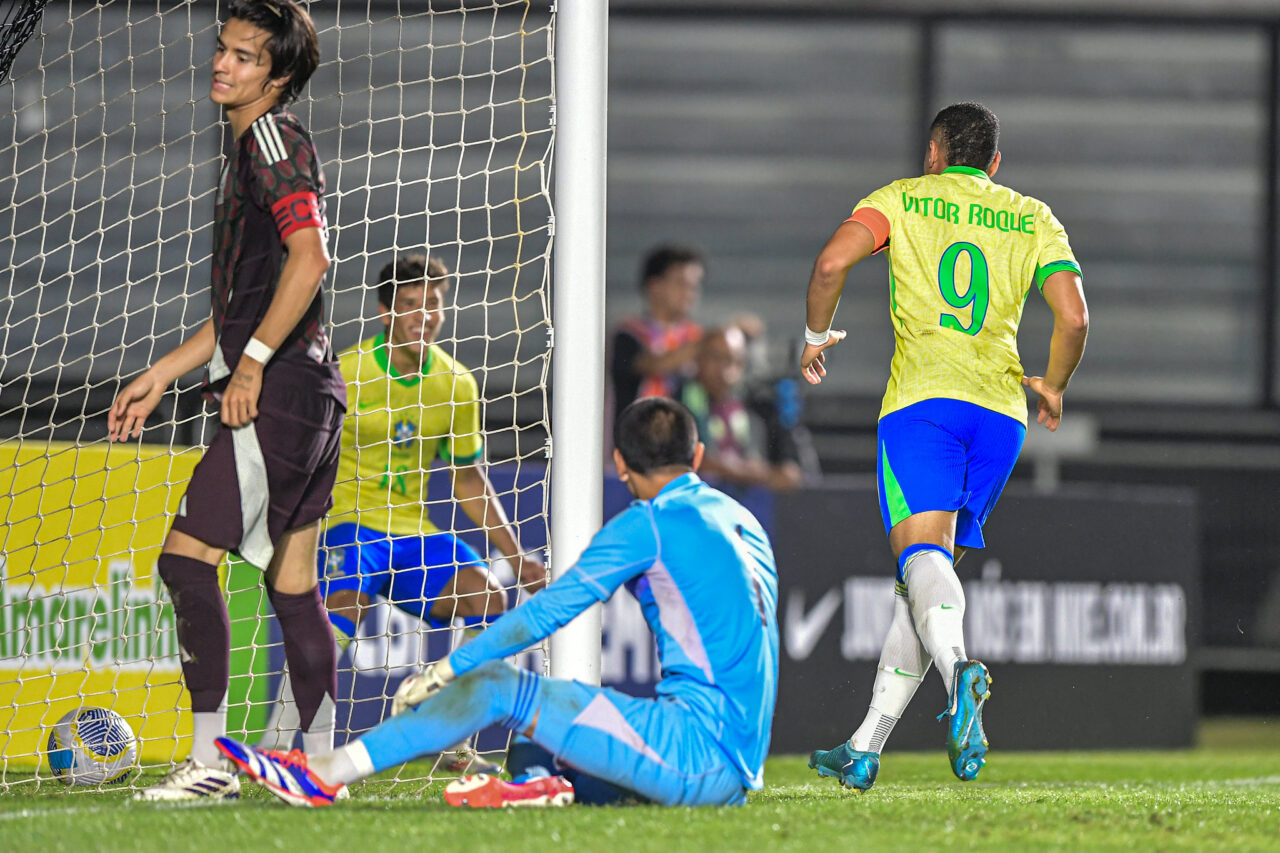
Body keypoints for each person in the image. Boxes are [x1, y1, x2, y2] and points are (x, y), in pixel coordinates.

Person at [214, 397, 780, 809]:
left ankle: (324, 773)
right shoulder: (743, 520)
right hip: (737, 757)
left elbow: (546, 612)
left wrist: (449, 667)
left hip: (695, 752)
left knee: (494, 688)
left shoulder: (647, 523)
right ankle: (540, 792)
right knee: (549, 729)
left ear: (621, 464)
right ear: (699, 455)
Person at [800, 103, 1088, 791]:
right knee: (927, 578)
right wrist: (1053, 385)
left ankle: (960, 673)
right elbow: (1074, 315)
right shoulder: (1031, 214)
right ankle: (864, 745)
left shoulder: (901, 200)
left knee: (922, 561)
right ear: (992, 163)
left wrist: (815, 339)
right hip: (1001, 415)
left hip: (925, 405)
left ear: (934, 153)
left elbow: (831, 262)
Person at [106, 0, 344, 802]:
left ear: (276, 77)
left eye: (245, 57)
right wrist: (169, 369)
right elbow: (254, 296)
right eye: (223, 49)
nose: (224, 64)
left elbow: (309, 261)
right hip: (309, 391)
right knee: (292, 586)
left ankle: (208, 764)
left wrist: (250, 367)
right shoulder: (255, 142)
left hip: (276, 393)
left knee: (183, 559)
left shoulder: (271, 137)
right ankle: (321, 763)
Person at [257, 253, 547, 762]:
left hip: (414, 534)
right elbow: (300, 458)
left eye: (432, 305)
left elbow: (467, 479)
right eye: (410, 305)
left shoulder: (456, 385)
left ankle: (445, 731)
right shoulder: (346, 372)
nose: (423, 316)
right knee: (341, 609)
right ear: (385, 312)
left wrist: (517, 555)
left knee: (490, 598)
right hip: (350, 525)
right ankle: (278, 739)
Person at [678, 326, 803, 491]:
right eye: (716, 358)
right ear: (697, 360)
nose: (724, 370)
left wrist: (735, 470)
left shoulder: (761, 407)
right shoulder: (678, 405)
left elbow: (790, 473)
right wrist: (752, 473)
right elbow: (691, 464)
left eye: (733, 360)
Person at [609, 244, 706, 422]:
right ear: (654, 286)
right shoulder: (628, 334)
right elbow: (653, 365)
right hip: (636, 440)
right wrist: (711, 342)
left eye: (695, 285)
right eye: (681, 283)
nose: (690, 293)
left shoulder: (693, 336)